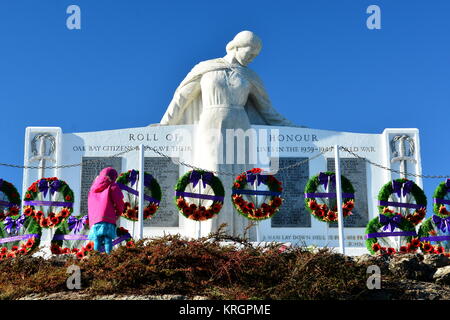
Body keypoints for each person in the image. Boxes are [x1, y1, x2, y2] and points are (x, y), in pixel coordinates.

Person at [159, 31, 297, 239]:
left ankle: (240, 234)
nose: (252, 58)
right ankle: (209, 232)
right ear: (237, 47)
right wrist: (164, 124)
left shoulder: (249, 76)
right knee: (212, 173)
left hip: (239, 125)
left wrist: (291, 126)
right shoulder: (206, 68)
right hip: (211, 124)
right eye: (251, 52)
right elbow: (182, 97)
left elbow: (267, 110)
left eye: (256, 55)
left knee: (239, 178)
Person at [87, 167, 124, 254]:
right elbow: (119, 201)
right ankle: (109, 257)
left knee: (97, 240)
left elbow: (90, 203)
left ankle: (95, 258)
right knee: (108, 239)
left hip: (95, 219)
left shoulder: (93, 187)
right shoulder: (112, 186)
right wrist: (119, 212)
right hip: (108, 217)